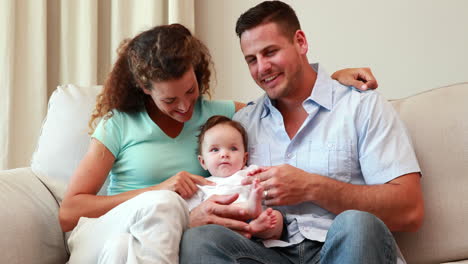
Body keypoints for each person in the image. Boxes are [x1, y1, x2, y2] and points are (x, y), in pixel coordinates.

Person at [58, 23, 379, 263]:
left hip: (157, 246)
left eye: (191, 91)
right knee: (160, 209)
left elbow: (282, 101)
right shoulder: (119, 124)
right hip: (116, 228)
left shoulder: (219, 116)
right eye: (170, 99)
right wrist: (159, 191)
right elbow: (70, 212)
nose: (185, 107)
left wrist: (332, 80)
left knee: (128, 250)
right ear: (144, 87)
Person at [180, 1, 424, 264]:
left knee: (358, 224)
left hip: (343, 250)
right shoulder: (243, 124)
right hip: (269, 253)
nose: (262, 68)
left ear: (300, 42)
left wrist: (312, 187)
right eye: (252, 60)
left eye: (270, 52)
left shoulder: (361, 106)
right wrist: (197, 216)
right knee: (199, 240)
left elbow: (410, 211)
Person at [186, 115, 283, 240]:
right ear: (203, 162)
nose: (224, 154)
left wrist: (260, 177)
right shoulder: (202, 185)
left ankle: (255, 228)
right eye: (215, 149)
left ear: (244, 158)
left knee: (277, 217)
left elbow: (270, 188)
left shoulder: (249, 173)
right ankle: (249, 215)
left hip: (257, 219)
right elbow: (192, 215)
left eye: (233, 148)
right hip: (224, 228)